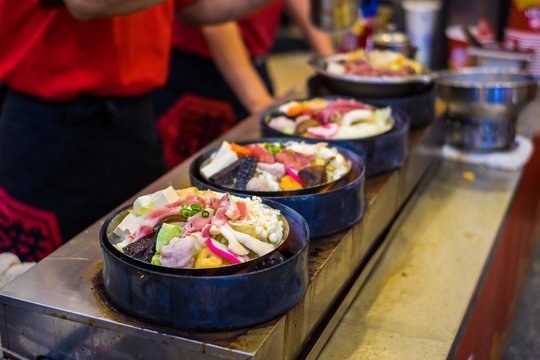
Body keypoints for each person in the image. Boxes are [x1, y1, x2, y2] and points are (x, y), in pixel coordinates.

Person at [0, 0, 278, 262]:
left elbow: (196, 8)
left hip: (136, 117)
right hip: (51, 127)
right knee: (47, 277)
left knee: (141, 255)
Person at [154, 0, 334, 167]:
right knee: (207, 172)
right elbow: (213, 15)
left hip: (256, 61)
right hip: (201, 72)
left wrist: (332, 68)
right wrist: (261, 105)